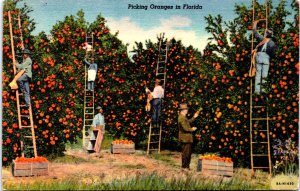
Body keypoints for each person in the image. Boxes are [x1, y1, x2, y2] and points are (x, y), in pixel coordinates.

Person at [252, 20, 276, 95]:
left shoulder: (262, 39)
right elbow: (272, 54)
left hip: (259, 56)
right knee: (265, 75)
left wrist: (255, 24)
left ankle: (257, 91)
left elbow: (255, 33)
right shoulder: (272, 43)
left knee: (258, 74)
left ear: (266, 33)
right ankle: (264, 90)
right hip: (266, 57)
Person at [178, 103, 199, 171]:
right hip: (185, 138)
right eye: (186, 109)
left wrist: (194, 117)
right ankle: (184, 167)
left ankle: (186, 166)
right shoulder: (181, 117)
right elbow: (185, 128)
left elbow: (188, 122)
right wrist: (192, 129)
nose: (187, 110)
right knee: (185, 153)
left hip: (187, 138)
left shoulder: (183, 117)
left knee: (188, 153)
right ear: (182, 110)